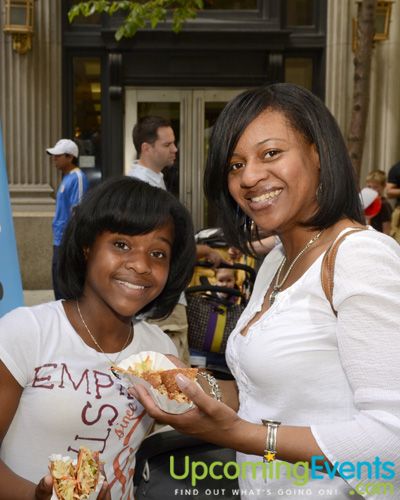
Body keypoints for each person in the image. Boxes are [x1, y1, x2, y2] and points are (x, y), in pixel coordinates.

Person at [131, 84, 400, 499]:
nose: (250, 177)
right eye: (235, 165)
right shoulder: (277, 259)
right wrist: (194, 384)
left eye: (270, 153)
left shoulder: (359, 257)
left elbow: (389, 442)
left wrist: (242, 435)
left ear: (318, 152)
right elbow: (263, 393)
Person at [0, 177, 196, 500]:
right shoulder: (27, 332)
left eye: (158, 253)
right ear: (87, 247)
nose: (140, 265)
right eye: (121, 245)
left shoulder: (160, 349)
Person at [128, 116, 224, 365]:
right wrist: (202, 249)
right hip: (159, 304)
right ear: (146, 148)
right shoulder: (141, 190)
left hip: (159, 300)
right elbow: (159, 247)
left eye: (174, 143)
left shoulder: (151, 182)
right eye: (167, 144)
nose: (175, 149)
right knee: (170, 382)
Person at [46, 138, 89, 300]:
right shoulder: (67, 177)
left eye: (58, 156)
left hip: (67, 240)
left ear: (70, 157)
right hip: (59, 239)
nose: (54, 159)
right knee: (58, 283)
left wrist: (72, 241)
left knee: (66, 286)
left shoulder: (77, 177)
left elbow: (77, 211)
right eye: (53, 156)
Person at [364, 169, 392, 234]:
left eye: (375, 187)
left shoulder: (384, 204)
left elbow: (387, 230)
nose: (371, 190)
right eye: (369, 186)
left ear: (384, 186)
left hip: (379, 238)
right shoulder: (367, 202)